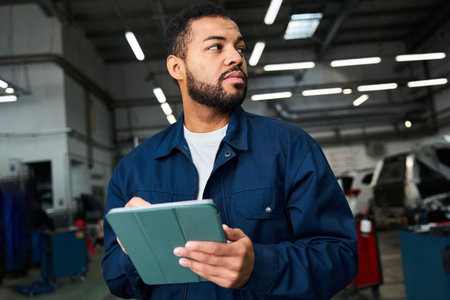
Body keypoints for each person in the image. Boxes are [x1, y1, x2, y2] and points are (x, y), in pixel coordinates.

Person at [102, 3, 358, 300]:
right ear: (177, 67)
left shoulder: (289, 148)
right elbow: (115, 279)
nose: (236, 57)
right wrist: (138, 250)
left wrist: (259, 266)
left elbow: (339, 256)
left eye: (239, 48)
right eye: (216, 47)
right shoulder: (134, 169)